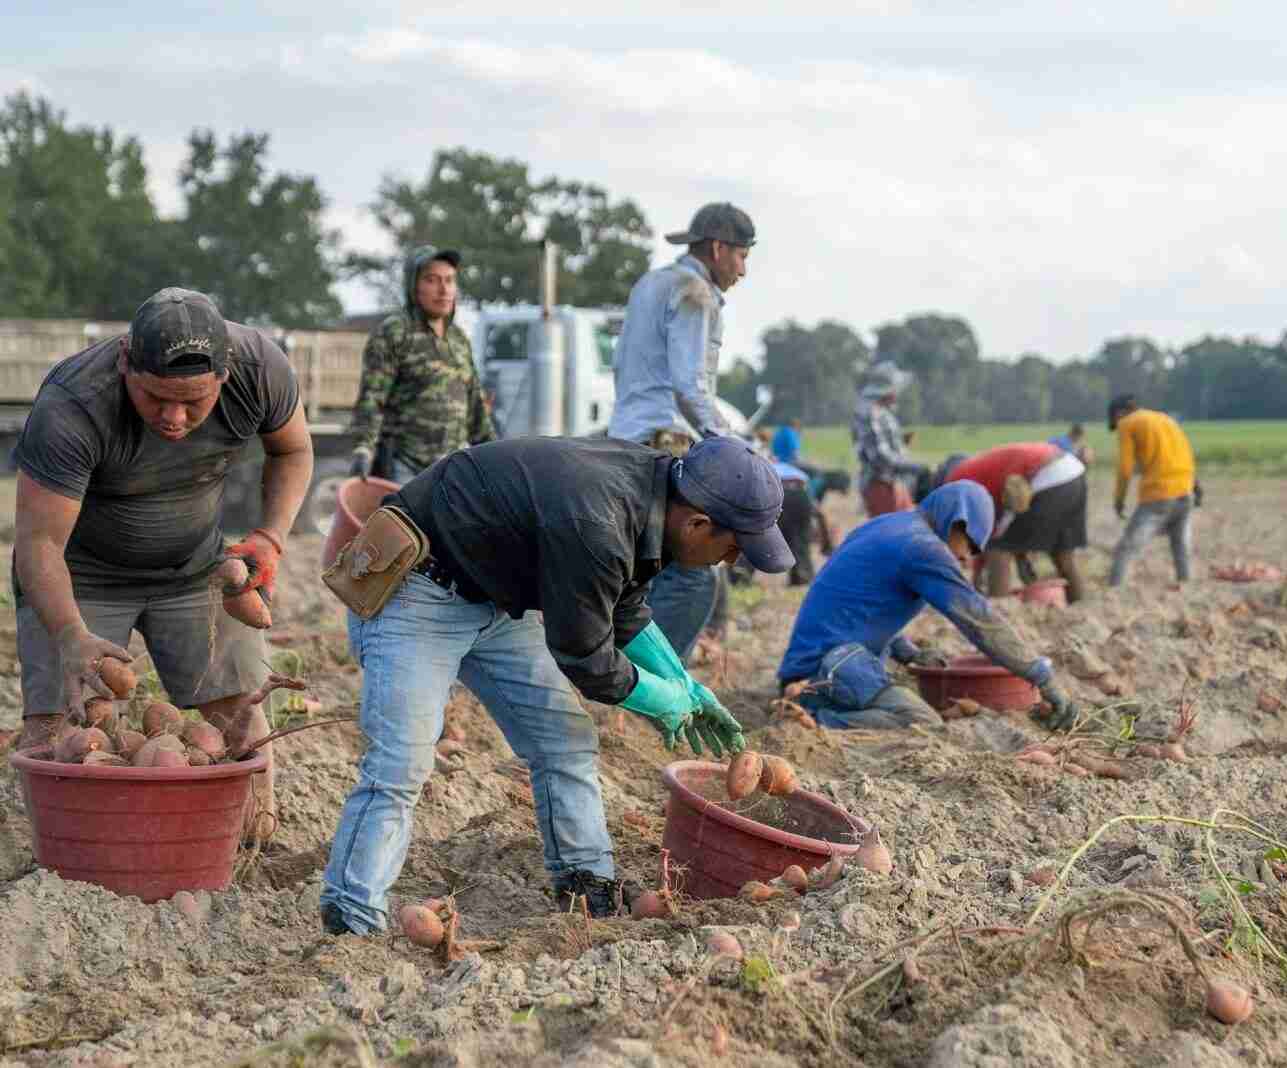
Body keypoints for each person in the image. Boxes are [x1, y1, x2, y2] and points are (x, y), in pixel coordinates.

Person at [319, 436, 793, 929]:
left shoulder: (659, 496)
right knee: (402, 760)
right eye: (734, 547)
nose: (732, 562)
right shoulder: (598, 520)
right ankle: (352, 917)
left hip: (497, 598)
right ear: (697, 523)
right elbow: (586, 657)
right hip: (419, 587)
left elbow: (625, 609)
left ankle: (587, 887)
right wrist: (663, 700)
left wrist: (686, 686)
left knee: (566, 741)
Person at [12, 288, 313, 830]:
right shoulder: (74, 404)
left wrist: (270, 536)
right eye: (156, 398)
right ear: (127, 362)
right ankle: (65, 858)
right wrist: (71, 635)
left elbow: (293, 449)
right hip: (80, 578)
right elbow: (38, 545)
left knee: (243, 721)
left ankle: (246, 845)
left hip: (195, 569)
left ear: (223, 376)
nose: (174, 417)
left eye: (194, 402)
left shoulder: (259, 368)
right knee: (61, 736)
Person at [776, 481, 1077, 731]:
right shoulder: (922, 547)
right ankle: (815, 719)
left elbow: (862, 607)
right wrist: (1042, 676)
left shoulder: (891, 526)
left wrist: (909, 653)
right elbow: (979, 620)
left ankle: (811, 708)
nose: (965, 558)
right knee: (921, 720)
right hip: (823, 673)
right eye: (968, 546)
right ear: (956, 521)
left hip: (828, 661)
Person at [607, 202, 755, 661]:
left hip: (626, 438)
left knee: (647, 569)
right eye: (742, 256)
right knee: (693, 573)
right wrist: (733, 446)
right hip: (665, 441)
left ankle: (625, 671)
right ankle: (652, 680)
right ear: (718, 248)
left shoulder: (650, 284)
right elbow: (690, 387)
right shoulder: (696, 293)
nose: (743, 270)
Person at [348, 246, 495, 483]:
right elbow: (372, 399)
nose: (444, 289)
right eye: (432, 280)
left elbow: (475, 406)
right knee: (405, 521)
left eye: (449, 280)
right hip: (403, 466)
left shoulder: (459, 339)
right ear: (414, 286)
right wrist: (363, 450)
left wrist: (493, 454)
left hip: (451, 468)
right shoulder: (394, 333)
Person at [943, 441, 1088, 601]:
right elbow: (1001, 522)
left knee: (998, 550)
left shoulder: (954, 485)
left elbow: (991, 532)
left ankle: (999, 609)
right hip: (1074, 472)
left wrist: (977, 573)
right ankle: (1079, 606)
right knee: (1062, 552)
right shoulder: (978, 472)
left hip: (1046, 476)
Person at [1106, 395, 1198, 587]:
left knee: (1127, 548)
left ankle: (1114, 590)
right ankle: (1187, 586)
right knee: (1180, 546)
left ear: (1119, 413)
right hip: (1185, 489)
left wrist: (1119, 500)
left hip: (1159, 493)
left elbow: (1125, 469)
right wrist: (1195, 485)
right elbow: (1182, 451)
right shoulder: (1165, 420)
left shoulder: (1127, 423)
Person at [852, 361, 925, 516]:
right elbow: (879, 457)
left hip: (891, 482)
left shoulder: (882, 412)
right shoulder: (870, 413)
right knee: (892, 534)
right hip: (881, 485)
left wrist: (901, 442)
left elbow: (882, 445)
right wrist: (915, 467)